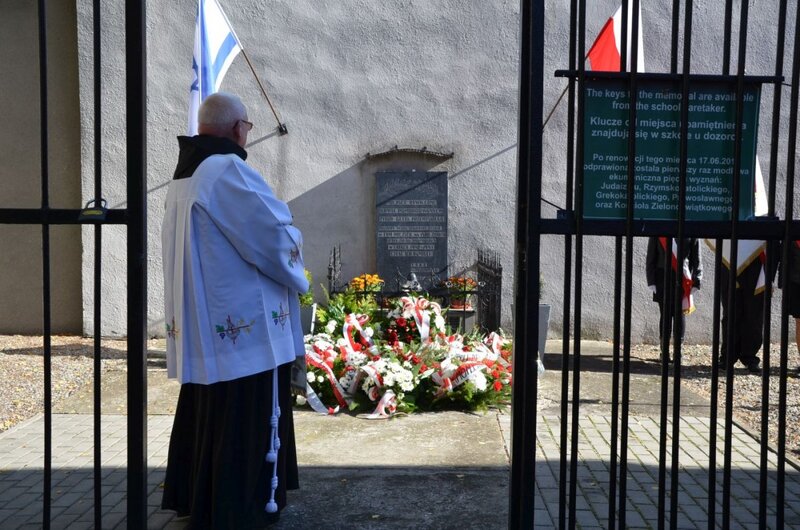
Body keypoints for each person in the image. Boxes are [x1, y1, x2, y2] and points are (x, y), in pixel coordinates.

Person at [160, 92, 309, 527]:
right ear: (237, 128)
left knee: (211, 411)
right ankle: (237, 505)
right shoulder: (228, 170)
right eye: (248, 126)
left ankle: (202, 497)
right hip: (244, 329)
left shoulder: (185, 176)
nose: (248, 133)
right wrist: (297, 248)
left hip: (208, 323)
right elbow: (273, 236)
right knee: (243, 417)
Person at [646, 237, 703, 352]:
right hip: (662, 277)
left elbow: (696, 257)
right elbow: (651, 257)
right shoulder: (659, 228)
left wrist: (697, 278)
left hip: (682, 277)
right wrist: (651, 280)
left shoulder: (690, 229)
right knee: (665, 314)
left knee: (680, 314)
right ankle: (664, 351)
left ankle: (678, 351)